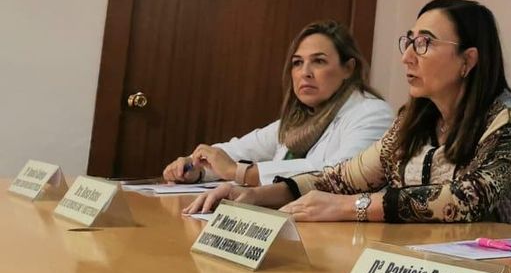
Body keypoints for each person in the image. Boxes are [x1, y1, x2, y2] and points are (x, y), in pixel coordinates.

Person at [189, 0, 511, 228]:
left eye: (425, 44)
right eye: (409, 41)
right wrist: (255, 196)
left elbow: (463, 200)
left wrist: (348, 207)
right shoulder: (415, 121)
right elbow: (341, 179)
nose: (407, 56)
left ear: (469, 60)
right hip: (437, 265)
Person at [161, 20, 392, 186]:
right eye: (297, 63)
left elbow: (339, 174)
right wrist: (196, 168)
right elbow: (239, 150)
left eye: (319, 62)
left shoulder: (372, 113)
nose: (305, 73)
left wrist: (241, 173)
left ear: (348, 69)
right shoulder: (299, 121)